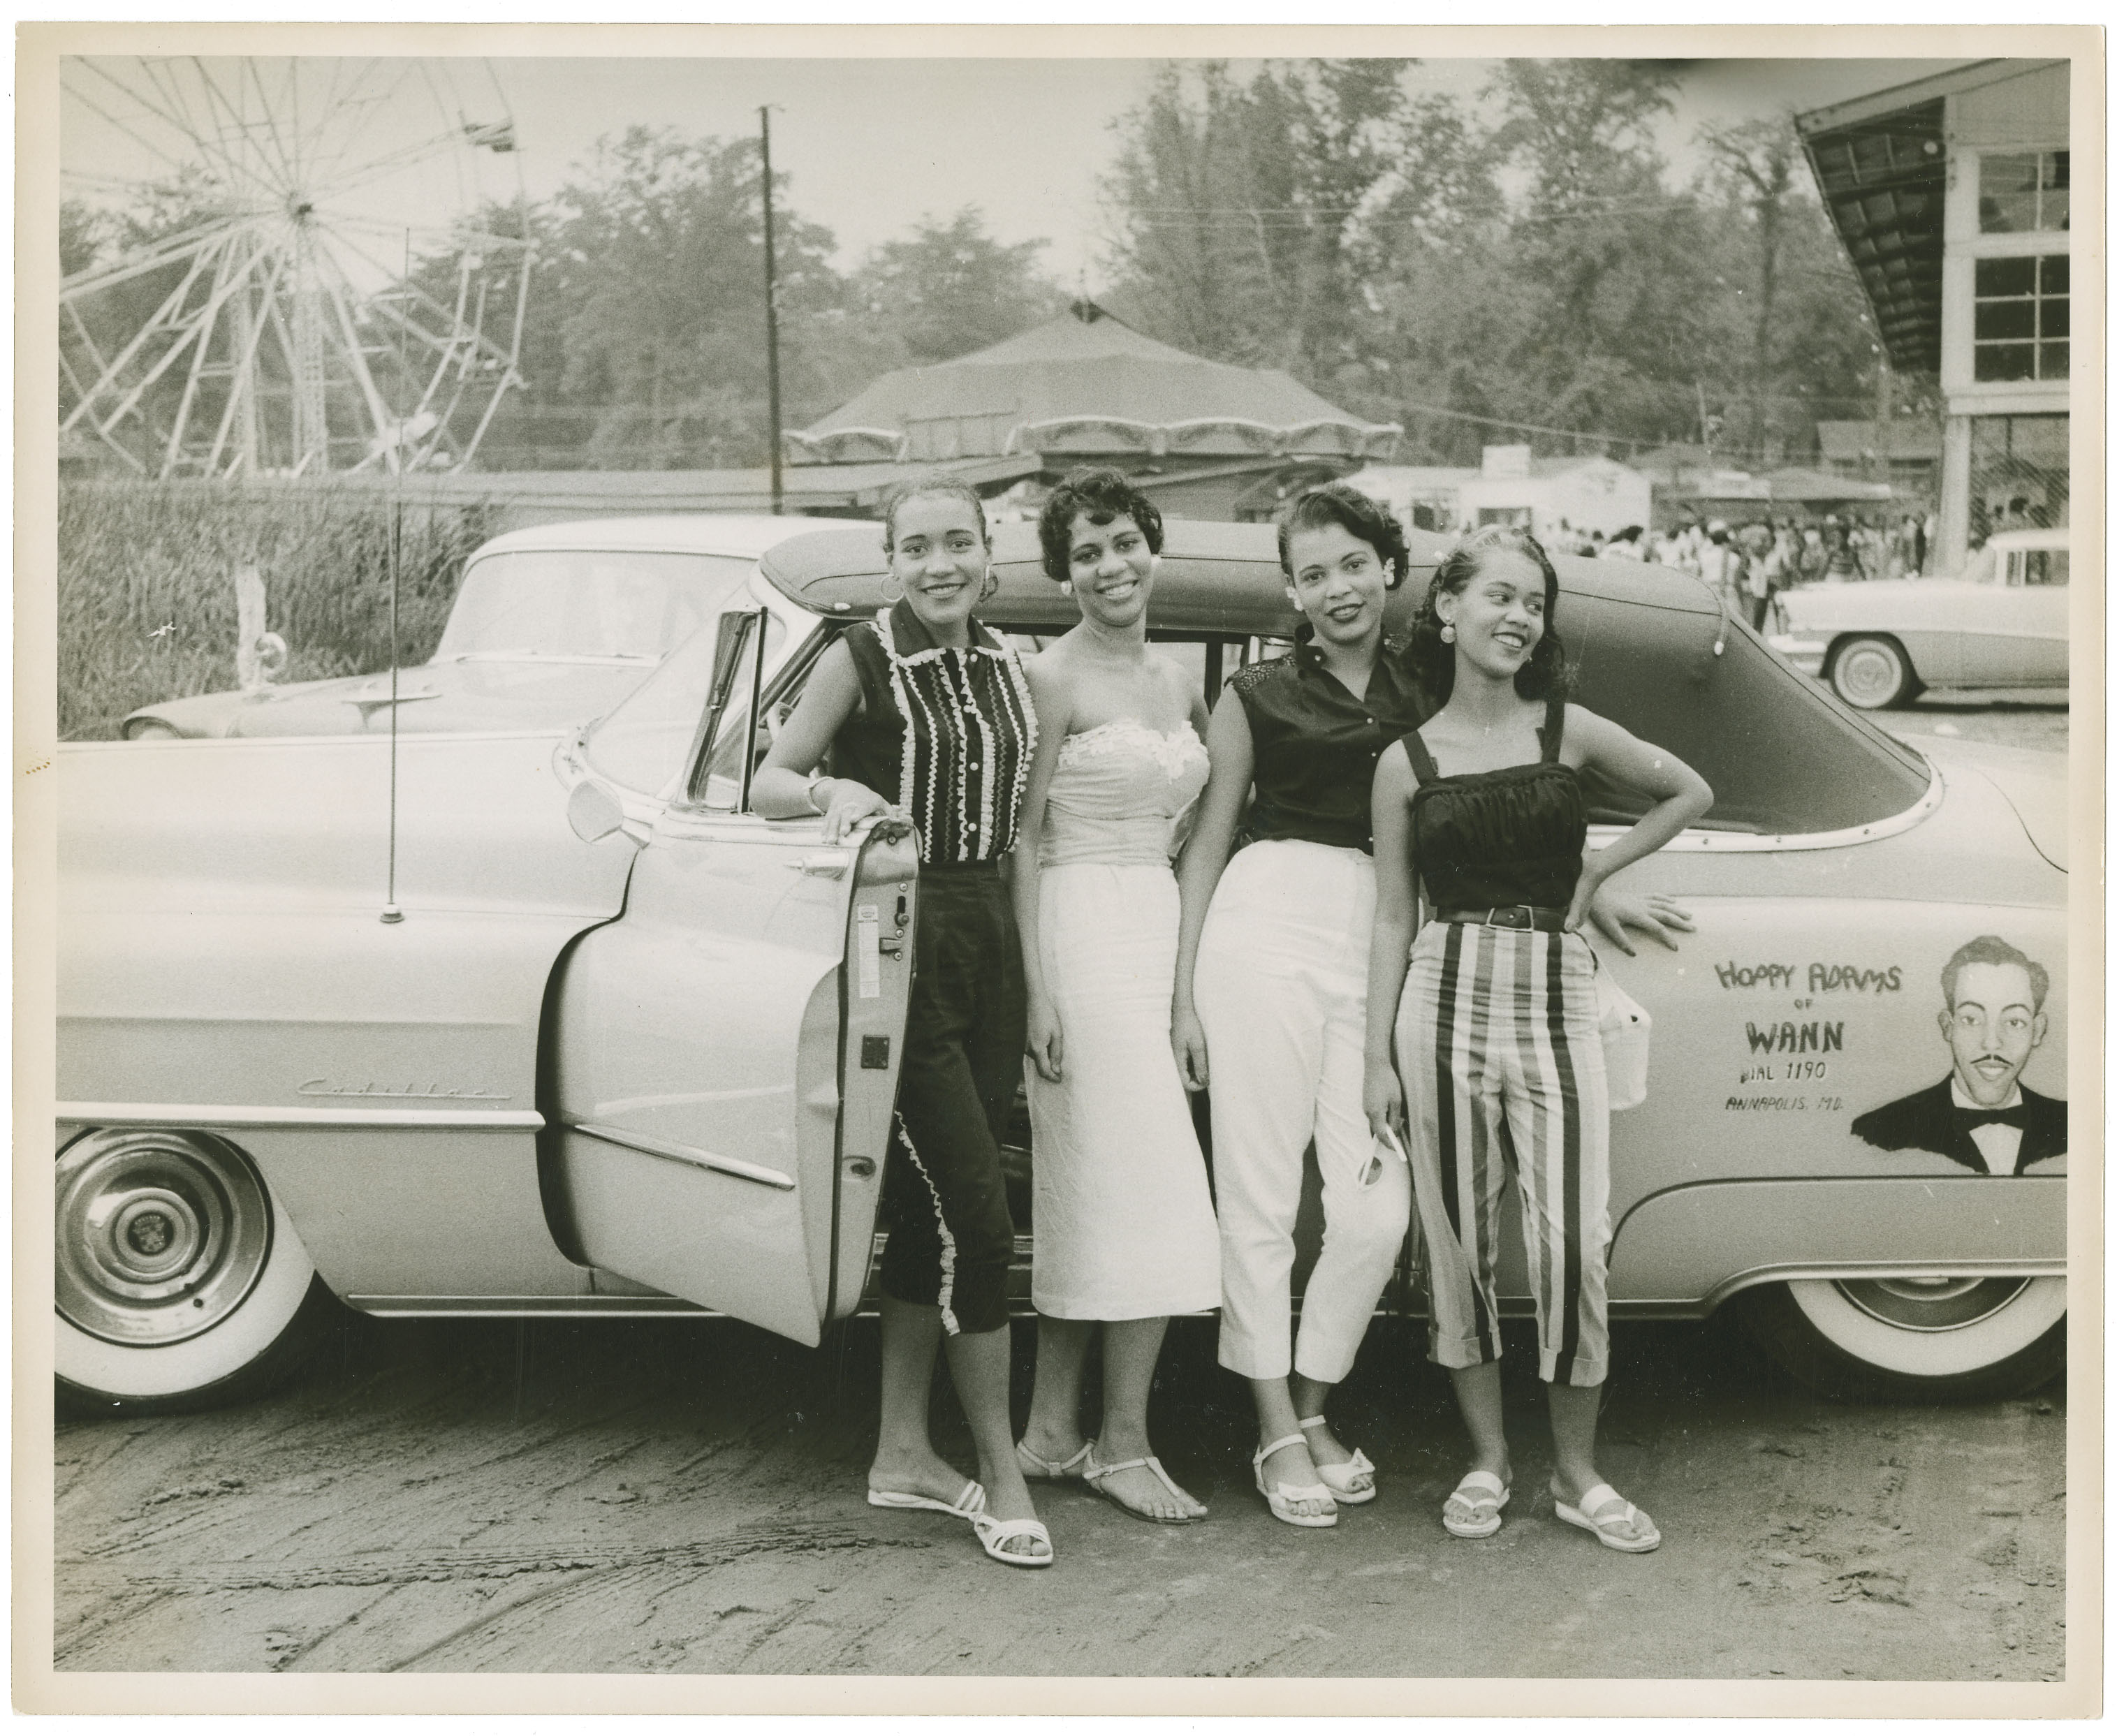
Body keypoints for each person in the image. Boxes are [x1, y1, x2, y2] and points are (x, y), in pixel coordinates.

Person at [1173, 486, 1699, 1530]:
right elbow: (1208, 836)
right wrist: (1181, 988)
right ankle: (1278, 1425)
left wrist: (1590, 876)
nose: (1336, 589)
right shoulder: (1255, 693)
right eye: (1312, 573)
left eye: (1353, 565)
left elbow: (1509, 788)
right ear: (1290, 589)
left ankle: (1314, 1396)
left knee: (1374, 1209)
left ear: (1392, 573)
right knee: (1263, 1192)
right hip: (1268, 925)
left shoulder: (1436, 677)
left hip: (1393, 938)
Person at [1365, 524, 1713, 1555]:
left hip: (1555, 994)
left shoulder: (1564, 728)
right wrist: (1377, 1053)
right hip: (1440, 990)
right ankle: (1487, 1460)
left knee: (1571, 1245)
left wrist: (1595, 873)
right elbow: (1393, 912)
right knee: (1458, 1242)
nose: (1517, 616)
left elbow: (1687, 789)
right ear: (1445, 609)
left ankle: (1577, 1474)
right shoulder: (1404, 760)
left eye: (1533, 602)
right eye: (1498, 596)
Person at [750, 478, 1052, 1570]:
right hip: (901, 951)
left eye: (958, 544)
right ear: (892, 560)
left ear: (988, 553)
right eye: (917, 547)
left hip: (990, 951)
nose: (940, 564)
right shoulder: (857, 657)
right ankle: (1001, 1473)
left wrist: (1037, 985)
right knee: (979, 1220)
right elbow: (769, 778)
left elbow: (1023, 834)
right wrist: (833, 795)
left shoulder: (1011, 663)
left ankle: (900, 1454)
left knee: (930, 1216)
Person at [1011, 469, 1219, 1524]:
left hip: (1153, 926)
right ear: (1064, 576)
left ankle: (1054, 1429)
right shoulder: (1049, 679)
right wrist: (1034, 991)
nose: (1109, 568)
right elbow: (1022, 840)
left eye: (1122, 543)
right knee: (1133, 1184)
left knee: (1100, 1187)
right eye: (1085, 554)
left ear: (1150, 544)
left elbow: (1190, 836)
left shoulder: (1182, 679)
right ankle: (1121, 1445)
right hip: (1076, 926)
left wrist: (1185, 997)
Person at [1850, 936, 2067, 1175]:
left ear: (2037, 1030)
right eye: (1971, 1020)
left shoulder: (2075, 1126)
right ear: (1947, 1026)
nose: (1992, 1044)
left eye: (2014, 1022)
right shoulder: (1881, 1130)